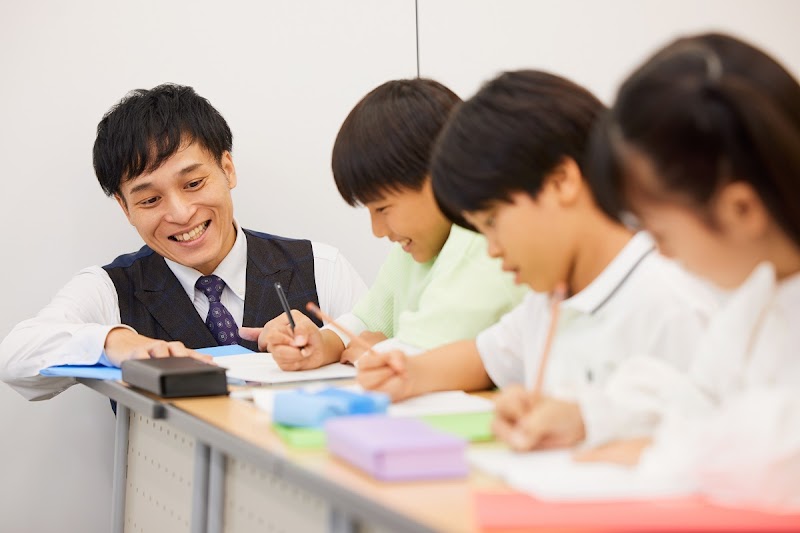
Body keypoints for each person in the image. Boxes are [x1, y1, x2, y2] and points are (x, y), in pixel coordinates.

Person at [357, 70, 714, 452]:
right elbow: (485, 356)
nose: (491, 249)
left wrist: (586, 420)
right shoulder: (549, 298)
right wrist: (410, 373)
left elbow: (711, 437)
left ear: (562, 182)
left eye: (493, 222)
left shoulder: (670, 298)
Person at [0, 83, 366, 401]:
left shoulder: (320, 265)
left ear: (227, 169)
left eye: (193, 183)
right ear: (125, 208)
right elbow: (15, 358)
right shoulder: (110, 289)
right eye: (149, 200)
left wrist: (330, 345)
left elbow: (389, 352)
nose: (180, 212)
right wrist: (115, 343)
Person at [576, 32, 800, 512]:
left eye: (661, 233)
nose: (662, 255)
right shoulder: (759, 295)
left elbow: (776, 456)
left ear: (741, 209)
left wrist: (675, 455)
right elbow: (698, 400)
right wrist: (589, 415)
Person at [251, 79, 525, 370]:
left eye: (382, 208)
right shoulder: (417, 247)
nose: (378, 230)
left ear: (442, 175)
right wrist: (322, 344)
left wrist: (375, 349)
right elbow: (365, 320)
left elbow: (422, 350)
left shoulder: (481, 243)